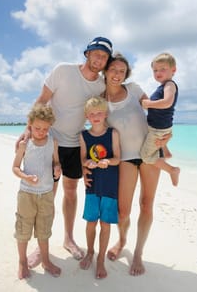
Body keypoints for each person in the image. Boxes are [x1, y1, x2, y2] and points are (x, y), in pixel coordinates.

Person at [16, 36, 113, 266]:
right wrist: (27, 130)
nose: (99, 59)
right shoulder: (63, 71)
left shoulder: (101, 85)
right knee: (45, 194)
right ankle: (41, 247)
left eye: (104, 56)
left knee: (71, 191)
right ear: (87, 53)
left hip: (76, 144)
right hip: (49, 140)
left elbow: (102, 114)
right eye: (96, 53)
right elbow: (42, 100)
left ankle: (68, 239)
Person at [101, 52, 171, 276]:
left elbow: (156, 113)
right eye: (113, 70)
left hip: (150, 151)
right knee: (123, 211)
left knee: (146, 204)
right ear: (106, 71)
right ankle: (121, 241)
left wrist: (166, 138)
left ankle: (138, 253)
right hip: (125, 158)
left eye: (122, 71)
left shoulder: (134, 89)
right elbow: (98, 131)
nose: (117, 74)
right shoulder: (100, 99)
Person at [12, 104, 62, 279]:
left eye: (45, 129)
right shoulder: (25, 145)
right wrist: (26, 177)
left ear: (50, 127)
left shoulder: (52, 142)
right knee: (23, 229)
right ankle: (22, 261)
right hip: (27, 194)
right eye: (37, 128)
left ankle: (46, 260)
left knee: (44, 229)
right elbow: (15, 167)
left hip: (46, 194)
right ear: (30, 125)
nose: (41, 132)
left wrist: (57, 168)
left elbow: (56, 162)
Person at [79, 96, 120, 279]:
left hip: (110, 185)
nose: (96, 116)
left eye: (99, 113)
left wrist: (107, 161)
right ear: (87, 116)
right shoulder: (84, 136)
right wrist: (87, 163)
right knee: (91, 222)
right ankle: (89, 252)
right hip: (92, 186)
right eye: (92, 114)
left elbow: (118, 158)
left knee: (105, 223)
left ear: (105, 114)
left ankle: (101, 259)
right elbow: (82, 160)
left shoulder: (113, 133)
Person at [140, 53, 180, 186]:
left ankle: (172, 170)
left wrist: (148, 104)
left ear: (173, 70)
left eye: (162, 69)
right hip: (156, 125)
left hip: (159, 128)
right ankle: (166, 151)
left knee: (146, 157)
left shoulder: (169, 85)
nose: (158, 72)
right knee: (143, 125)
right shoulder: (162, 86)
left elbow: (167, 102)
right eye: (155, 70)